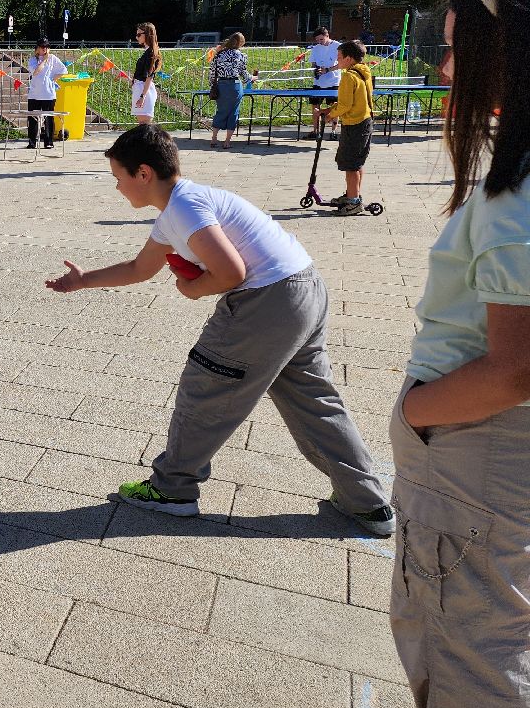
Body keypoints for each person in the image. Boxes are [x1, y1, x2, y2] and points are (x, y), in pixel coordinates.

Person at [46, 124, 394, 534]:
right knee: (313, 400)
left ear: (143, 173)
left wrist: (193, 288)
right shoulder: (183, 206)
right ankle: (367, 502)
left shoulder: (184, 208)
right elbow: (140, 268)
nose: (117, 187)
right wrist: (83, 280)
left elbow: (230, 272)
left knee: (205, 387)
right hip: (304, 288)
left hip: (267, 302)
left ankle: (172, 489)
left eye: (118, 177)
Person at [376, 0, 530, 708]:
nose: (445, 71)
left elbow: (515, 368)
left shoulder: (516, 193)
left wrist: (418, 414)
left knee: (469, 646)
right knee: (490, 628)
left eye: (456, 51)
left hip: (475, 452)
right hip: (497, 454)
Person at [322, 39, 374, 215]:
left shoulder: (348, 76)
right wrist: (331, 108)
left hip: (354, 124)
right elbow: (354, 99)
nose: (337, 60)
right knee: (357, 163)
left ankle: (353, 202)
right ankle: (353, 195)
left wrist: (330, 115)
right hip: (365, 121)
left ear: (349, 58)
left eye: (339, 57)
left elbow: (345, 105)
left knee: (350, 165)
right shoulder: (363, 72)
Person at [208, 32, 256, 150]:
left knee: (221, 111)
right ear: (241, 43)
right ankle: (227, 142)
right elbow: (243, 73)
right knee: (233, 113)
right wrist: (252, 78)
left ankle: (214, 138)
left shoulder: (219, 54)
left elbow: (212, 72)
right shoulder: (241, 55)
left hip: (221, 85)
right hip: (235, 86)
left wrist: (212, 86)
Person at [25, 38, 66, 150]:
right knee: (33, 119)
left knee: (49, 119)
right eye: (43, 47)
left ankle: (48, 141)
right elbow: (35, 72)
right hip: (34, 94)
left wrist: (52, 79)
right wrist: (44, 60)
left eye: (47, 47)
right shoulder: (33, 60)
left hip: (48, 94)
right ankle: (32, 142)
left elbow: (63, 70)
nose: (45, 49)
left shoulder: (53, 58)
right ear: (38, 48)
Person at [308, 26, 340, 133]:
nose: (319, 42)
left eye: (321, 39)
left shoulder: (337, 46)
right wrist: (316, 69)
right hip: (318, 82)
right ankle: (315, 130)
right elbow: (313, 63)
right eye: (317, 40)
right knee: (315, 106)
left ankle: (333, 131)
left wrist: (328, 70)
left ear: (327, 36)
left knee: (334, 106)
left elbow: (341, 64)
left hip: (333, 81)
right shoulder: (316, 48)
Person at [132, 22, 161, 124]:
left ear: (148, 34)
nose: (137, 37)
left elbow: (149, 77)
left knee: (145, 125)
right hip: (140, 88)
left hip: (144, 90)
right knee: (142, 124)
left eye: (139, 34)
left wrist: (142, 96)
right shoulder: (148, 51)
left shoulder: (151, 53)